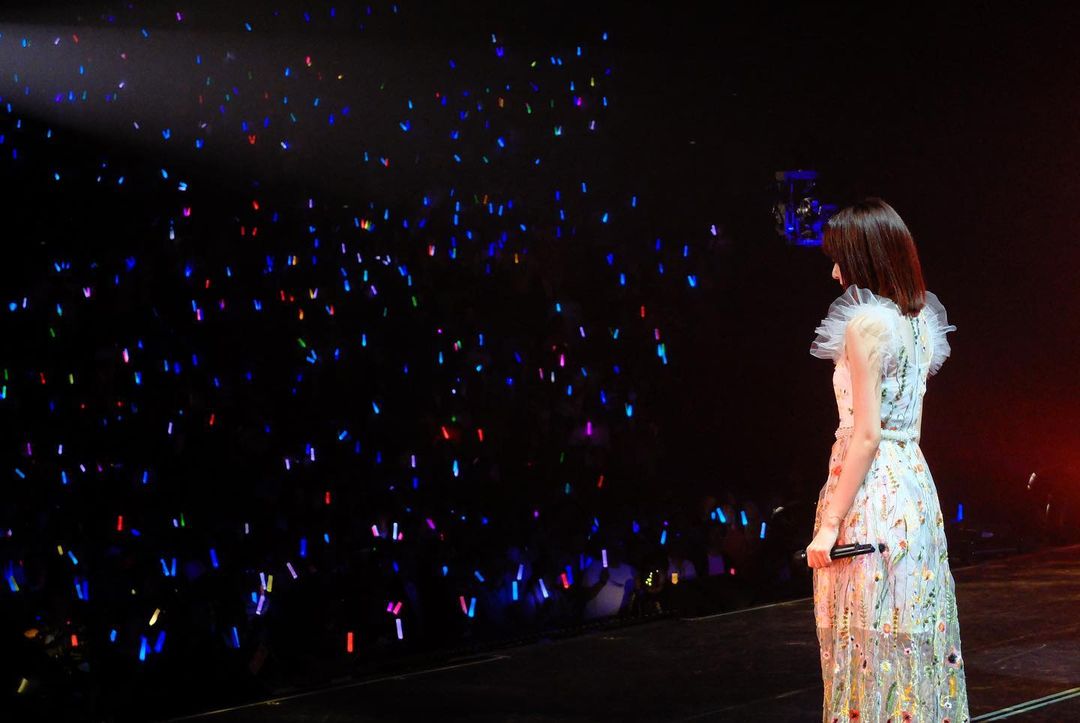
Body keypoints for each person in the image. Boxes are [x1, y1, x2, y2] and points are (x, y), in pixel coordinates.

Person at [804, 198, 970, 722]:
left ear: (864, 256)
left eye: (840, 258)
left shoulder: (867, 325)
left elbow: (868, 433)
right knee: (910, 634)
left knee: (867, 641)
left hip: (872, 491)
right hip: (913, 487)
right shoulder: (916, 322)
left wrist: (830, 524)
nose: (835, 273)